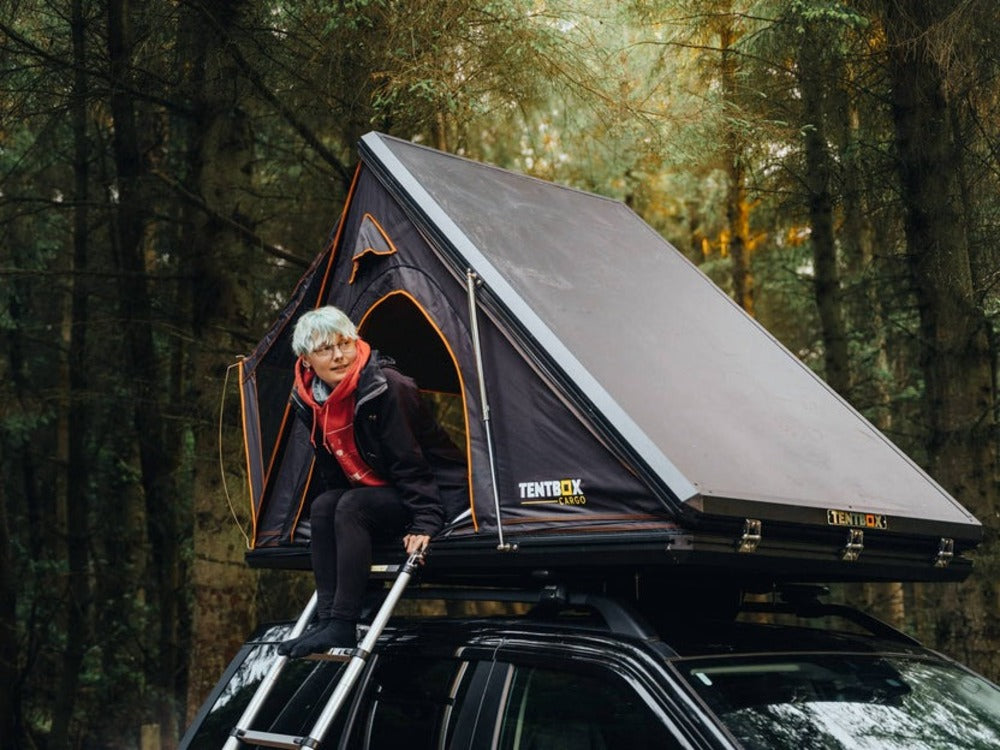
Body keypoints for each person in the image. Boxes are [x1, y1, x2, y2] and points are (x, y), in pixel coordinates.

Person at [277, 305, 467, 657]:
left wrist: (427, 522)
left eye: (345, 343)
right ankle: (328, 620)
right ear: (306, 360)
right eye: (324, 349)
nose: (339, 356)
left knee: (352, 506)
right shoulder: (309, 399)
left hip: (432, 492)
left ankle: (343, 623)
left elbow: (412, 460)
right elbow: (330, 464)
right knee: (323, 505)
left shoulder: (388, 386)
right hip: (383, 491)